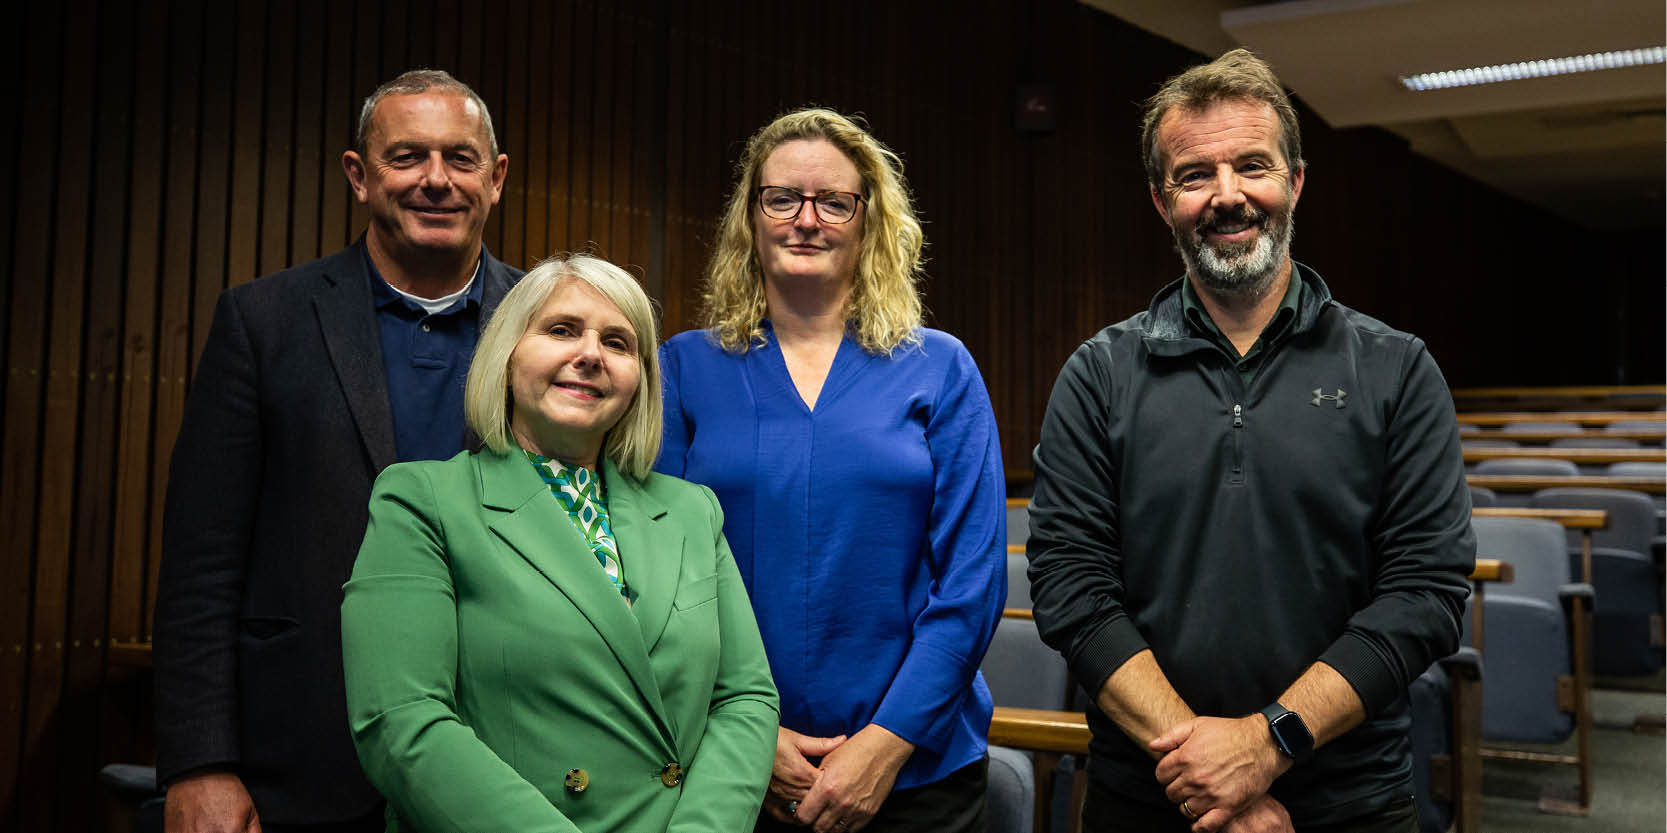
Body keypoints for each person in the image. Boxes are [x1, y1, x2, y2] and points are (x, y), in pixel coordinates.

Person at [1026, 49, 1475, 833]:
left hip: (1350, 803)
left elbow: (1425, 592)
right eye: (1194, 174)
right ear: (1161, 201)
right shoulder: (1096, 375)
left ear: (1295, 182)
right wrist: (1205, 774)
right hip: (1149, 798)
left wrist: (1269, 742)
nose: (1226, 195)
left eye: (1251, 166)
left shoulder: (1396, 369)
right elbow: (1071, 591)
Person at [153, 69, 519, 833]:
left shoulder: (550, 328)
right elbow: (201, 564)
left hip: (507, 760)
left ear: (496, 177)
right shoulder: (264, 322)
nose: (436, 180)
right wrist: (198, 762)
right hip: (302, 763)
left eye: (460, 158)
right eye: (406, 156)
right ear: (358, 175)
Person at [340, 253, 779, 833]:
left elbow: (745, 698)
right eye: (562, 330)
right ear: (507, 354)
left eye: (619, 343)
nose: (591, 355)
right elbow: (401, 721)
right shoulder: (422, 501)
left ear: (640, 379)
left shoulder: (692, 512)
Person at [657, 108, 1007, 833]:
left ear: (867, 219)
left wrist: (886, 744)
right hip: (732, 763)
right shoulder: (684, 368)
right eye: (781, 197)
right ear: (750, 216)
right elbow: (659, 580)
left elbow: (970, 585)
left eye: (833, 201)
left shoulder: (940, 367)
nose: (805, 219)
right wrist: (744, 735)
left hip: (918, 770)